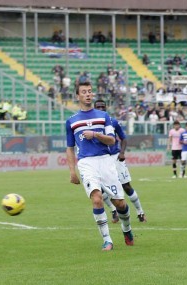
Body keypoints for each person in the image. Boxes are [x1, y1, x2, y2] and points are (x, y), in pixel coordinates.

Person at [65, 82, 133, 251]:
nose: (88, 94)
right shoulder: (71, 121)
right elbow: (69, 148)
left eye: (90, 91)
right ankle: (107, 240)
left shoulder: (104, 116)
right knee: (96, 199)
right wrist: (72, 171)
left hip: (106, 160)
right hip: (86, 163)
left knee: (120, 204)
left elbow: (111, 140)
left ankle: (127, 229)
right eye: (84, 92)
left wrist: (95, 134)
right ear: (78, 96)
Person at [94, 100, 147, 223]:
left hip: (115, 157)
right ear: (95, 108)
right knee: (101, 188)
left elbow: (123, 138)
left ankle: (140, 212)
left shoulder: (113, 121)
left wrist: (122, 152)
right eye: (98, 107)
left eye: (103, 106)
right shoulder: (90, 124)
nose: (101, 108)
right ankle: (113, 211)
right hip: (101, 159)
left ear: (106, 108)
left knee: (126, 186)